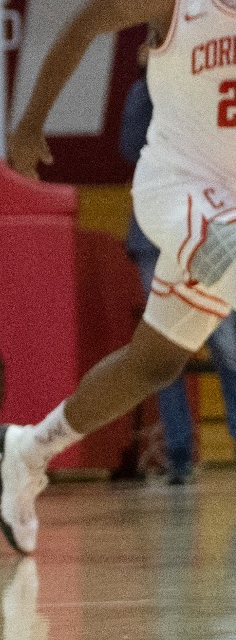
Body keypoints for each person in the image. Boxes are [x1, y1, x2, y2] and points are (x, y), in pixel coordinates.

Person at [0, 0, 236, 554]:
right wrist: (31, 122)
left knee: (154, 363)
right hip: (175, 190)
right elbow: (82, 25)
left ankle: (28, 449)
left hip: (228, 214)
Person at [119, 53, 236, 484]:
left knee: (226, 344)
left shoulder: (210, 78)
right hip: (157, 234)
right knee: (164, 349)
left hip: (217, 227)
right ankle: (179, 452)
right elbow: (129, 147)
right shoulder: (143, 91)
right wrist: (155, 91)